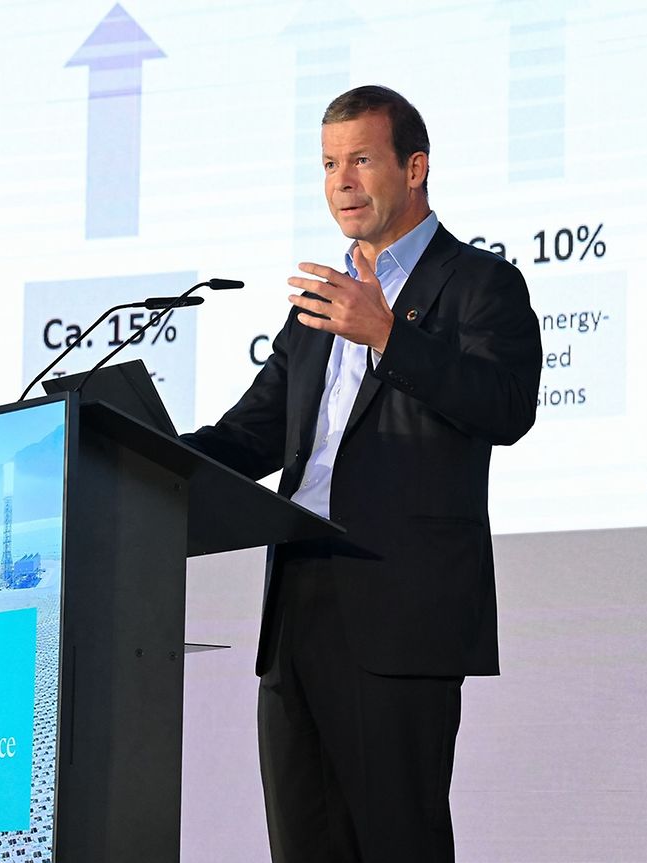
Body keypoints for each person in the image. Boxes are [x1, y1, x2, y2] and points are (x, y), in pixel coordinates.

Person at [182, 85, 542, 862]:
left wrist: (388, 334)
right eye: (327, 164)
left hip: (400, 604)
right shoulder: (319, 301)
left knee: (396, 843)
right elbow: (253, 434)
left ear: (415, 169)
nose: (341, 181)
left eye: (361, 160)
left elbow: (507, 408)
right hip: (297, 601)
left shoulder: (481, 283)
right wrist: (140, 457)